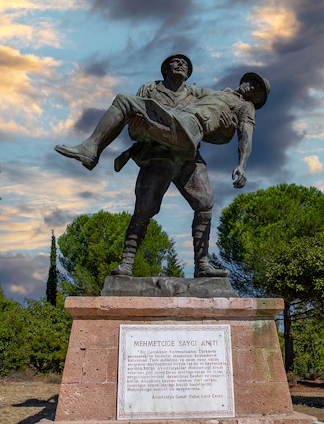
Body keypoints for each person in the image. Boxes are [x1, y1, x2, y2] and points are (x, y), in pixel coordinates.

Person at [55, 54, 269, 278]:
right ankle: (126, 263)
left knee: (205, 202)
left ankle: (202, 264)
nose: (250, 85)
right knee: (143, 209)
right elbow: (134, 134)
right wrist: (140, 127)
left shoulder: (207, 96)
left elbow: (236, 133)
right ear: (164, 69)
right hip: (158, 153)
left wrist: (236, 154)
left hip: (187, 153)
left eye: (256, 87)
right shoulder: (163, 90)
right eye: (251, 80)